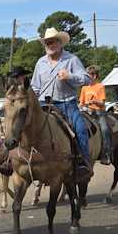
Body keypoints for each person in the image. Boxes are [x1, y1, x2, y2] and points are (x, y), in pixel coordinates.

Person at [29, 27, 92, 175]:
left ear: (60, 43)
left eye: (53, 42)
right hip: (44, 104)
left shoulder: (71, 59)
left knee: (80, 129)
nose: (51, 45)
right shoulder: (40, 63)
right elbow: (35, 87)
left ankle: (83, 161)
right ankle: (23, 160)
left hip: (67, 103)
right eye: (48, 43)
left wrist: (70, 76)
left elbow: (87, 79)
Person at [79, 65, 111, 165]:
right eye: (87, 74)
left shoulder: (100, 86)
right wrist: (82, 106)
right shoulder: (84, 88)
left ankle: (106, 153)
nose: (87, 77)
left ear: (94, 76)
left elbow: (102, 103)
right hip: (86, 112)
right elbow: (81, 102)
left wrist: (94, 102)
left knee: (105, 129)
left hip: (98, 112)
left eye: (89, 75)